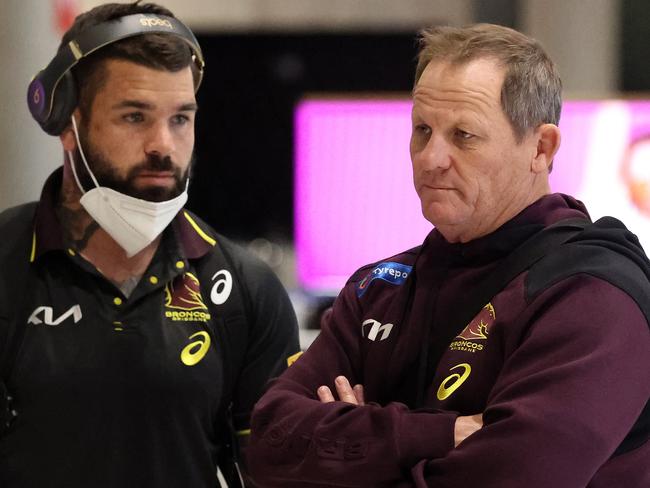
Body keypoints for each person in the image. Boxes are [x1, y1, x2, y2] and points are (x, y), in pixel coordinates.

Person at [248, 23, 650, 487]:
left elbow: (511, 478)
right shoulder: (378, 288)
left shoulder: (595, 295)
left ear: (541, 148)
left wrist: (351, 453)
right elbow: (268, 441)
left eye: (463, 136)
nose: (430, 157)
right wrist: (442, 433)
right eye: (422, 129)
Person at [0, 2, 299, 487]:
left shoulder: (246, 291)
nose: (163, 144)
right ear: (69, 125)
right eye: (135, 116)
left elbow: (276, 474)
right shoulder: (6, 264)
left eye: (181, 118)